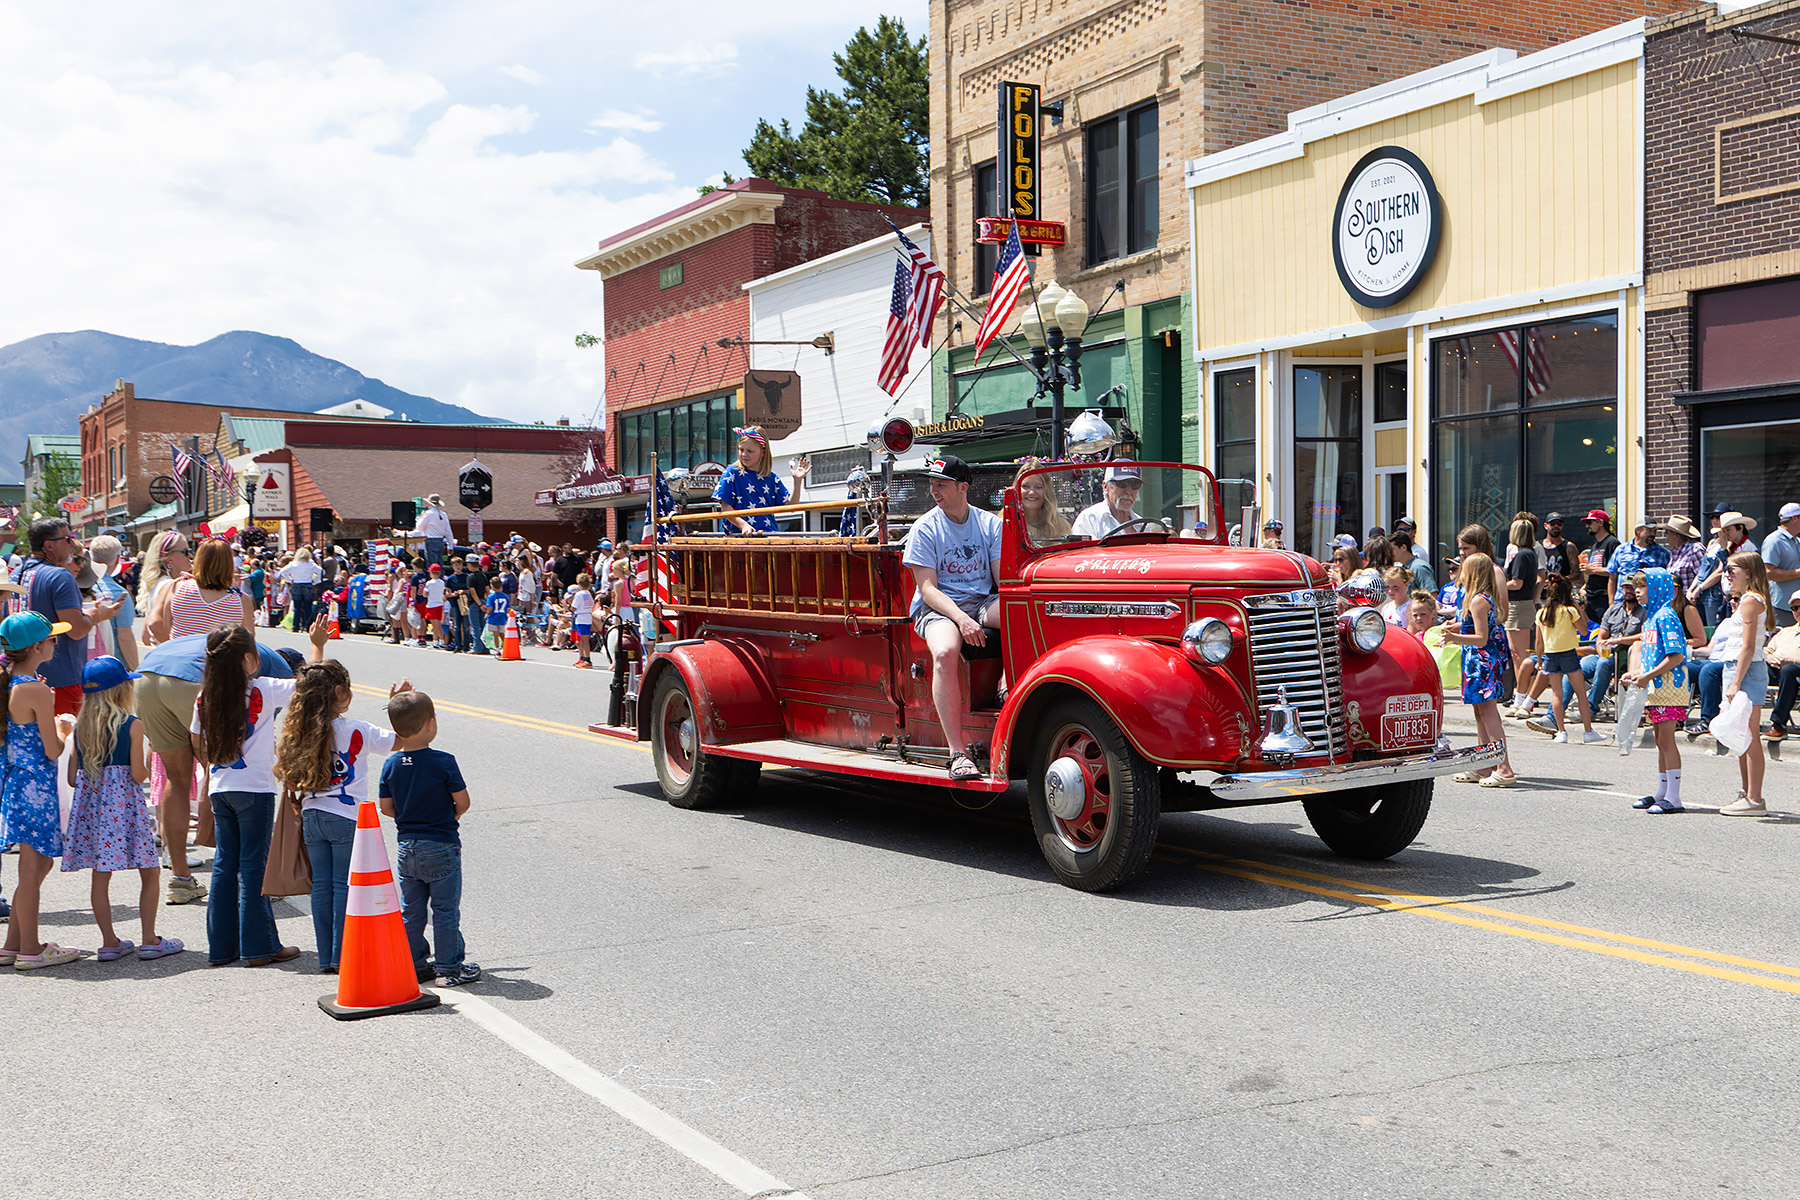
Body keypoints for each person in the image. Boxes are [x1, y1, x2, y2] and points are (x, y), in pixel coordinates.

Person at [275, 653, 407, 973]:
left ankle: (326, 956)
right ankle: (341, 955)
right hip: (346, 817)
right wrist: (396, 704)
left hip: (312, 815)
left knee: (321, 886)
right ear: (339, 692)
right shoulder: (356, 729)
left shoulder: (299, 731)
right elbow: (399, 741)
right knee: (342, 886)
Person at [192, 625, 308, 967]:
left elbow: (196, 739)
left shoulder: (204, 696)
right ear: (247, 659)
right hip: (254, 788)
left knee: (224, 865)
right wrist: (316, 648)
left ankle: (222, 947)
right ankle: (260, 947)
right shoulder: (262, 689)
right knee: (254, 866)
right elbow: (309, 687)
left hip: (220, 786)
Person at [63, 655, 181, 961]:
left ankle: (109, 943)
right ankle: (150, 939)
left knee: (100, 876)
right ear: (120, 689)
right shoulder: (131, 725)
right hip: (126, 811)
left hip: (95, 814)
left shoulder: (80, 728)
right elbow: (139, 775)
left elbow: (72, 778)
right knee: (150, 872)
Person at [904, 455, 1002, 781]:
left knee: (1022, 614)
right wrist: (961, 619)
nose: (934, 491)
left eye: (941, 485)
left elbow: (1001, 582)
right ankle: (957, 753)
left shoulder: (990, 524)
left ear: (963, 487)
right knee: (946, 651)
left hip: (981, 601)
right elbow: (928, 589)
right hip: (937, 609)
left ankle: (1006, 683)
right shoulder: (925, 528)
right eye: (932, 484)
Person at [379, 690, 480, 986]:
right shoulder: (443, 761)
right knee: (445, 910)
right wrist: (453, 814)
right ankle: (449, 969)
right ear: (431, 724)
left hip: (407, 847)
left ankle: (414, 963)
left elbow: (386, 808)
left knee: (411, 910)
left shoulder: (391, 764)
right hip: (440, 844)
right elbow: (463, 802)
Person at [0, 613, 80, 969]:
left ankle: (13, 944)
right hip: (36, 788)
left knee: (38, 863)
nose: (54, 643)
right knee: (33, 867)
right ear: (36, 648)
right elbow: (52, 750)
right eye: (51, 639)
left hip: (17, 785)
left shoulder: (11, 683)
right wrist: (64, 731)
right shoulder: (35, 691)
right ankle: (32, 950)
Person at [16, 517, 120, 715]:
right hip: (62, 681)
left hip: (23, 678)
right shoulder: (59, 576)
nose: (72, 544)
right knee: (66, 733)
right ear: (49, 546)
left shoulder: (16, 575)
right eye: (67, 539)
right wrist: (95, 616)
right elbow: (75, 629)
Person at [1621, 569, 1692, 814]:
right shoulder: (1651, 617)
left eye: (1642, 586)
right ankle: (1662, 792)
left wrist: (1647, 676)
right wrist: (1637, 672)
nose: (1636, 591)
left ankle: (1674, 797)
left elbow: (1676, 656)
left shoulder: (1666, 616)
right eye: (1636, 586)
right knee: (1660, 739)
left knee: (1666, 739)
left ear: (1658, 589)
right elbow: (1653, 657)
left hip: (1670, 686)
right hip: (1655, 687)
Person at [1443, 553, 1516, 787]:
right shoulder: (1479, 599)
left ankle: (1503, 767)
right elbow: (1475, 625)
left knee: (1488, 713)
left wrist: (1454, 637)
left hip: (1481, 663)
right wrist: (1456, 627)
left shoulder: (1478, 600)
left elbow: (1481, 637)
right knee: (1480, 713)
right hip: (1476, 662)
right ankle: (1485, 763)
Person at [1716, 552, 1774, 816]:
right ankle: (1747, 792)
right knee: (1741, 735)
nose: (1728, 574)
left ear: (1748, 572)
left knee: (1749, 735)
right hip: (1737, 668)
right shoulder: (1746, 600)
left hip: (1746, 671)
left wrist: (1735, 682)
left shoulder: (1751, 600)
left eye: (1732, 570)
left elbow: (1749, 647)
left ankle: (1754, 798)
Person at [1529, 574, 1603, 744]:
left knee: (1556, 694)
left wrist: (1539, 660)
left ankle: (1561, 731)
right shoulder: (1569, 612)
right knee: (1581, 693)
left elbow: (1538, 641)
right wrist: (1577, 610)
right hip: (1569, 654)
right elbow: (1584, 631)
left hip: (1550, 655)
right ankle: (1588, 731)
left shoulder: (1542, 613)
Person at [713, 428, 810, 535]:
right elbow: (726, 507)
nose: (744, 454)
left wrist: (797, 481)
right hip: (740, 535)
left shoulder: (771, 477)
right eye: (741, 450)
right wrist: (744, 525)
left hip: (768, 533)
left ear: (763, 452)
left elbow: (791, 507)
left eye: (750, 451)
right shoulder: (732, 472)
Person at [161, 539, 254, 641]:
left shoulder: (178, 587)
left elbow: (166, 628)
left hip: (181, 650)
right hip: (221, 651)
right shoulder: (241, 600)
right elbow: (248, 640)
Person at [1690, 510, 1755, 627]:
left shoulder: (1747, 548)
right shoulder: (1733, 547)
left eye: (1728, 530)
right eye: (1724, 531)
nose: (1725, 534)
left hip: (1739, 596)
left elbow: (1727, 569)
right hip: (1728, 597)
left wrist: (1724, 550)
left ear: (1740, 528)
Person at [87, 536, 139, 670]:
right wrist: (136, 669)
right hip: (112, 666)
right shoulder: (118, 593)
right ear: (117, 559)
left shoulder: (79, 585)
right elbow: (125, 637)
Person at [1503, 517, 1540, 670]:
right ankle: (1523, 684)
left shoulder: (1522, 555)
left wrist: (1498, 586)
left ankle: (1524, 684)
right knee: (1518, 654)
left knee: (1519, 654)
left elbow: (1517, 583)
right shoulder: (1531, 553)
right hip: (1523, 605)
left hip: (1517, 606)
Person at [1071, 463, 1143, 539]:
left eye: (1135, 485)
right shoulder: (1089, 519)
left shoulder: (1142, 524)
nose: (1129, 491)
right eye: (1122, 484)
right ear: (1105, 487)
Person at [1759, 501, 1800, 628]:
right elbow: (1768, 573)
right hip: (1782, 608)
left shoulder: (1797, 540)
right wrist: (1798, 572)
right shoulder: (1773, 541)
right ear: (1794, 518)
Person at [1580, 510, 1622, 624]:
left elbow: (1614, 571)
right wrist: (1585, 587)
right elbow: (1595, 570)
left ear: (1600, 523)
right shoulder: (1595, 546)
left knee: (1604, 630)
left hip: (1604, 597)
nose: (1587, 526)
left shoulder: (1612, 543)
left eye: (1590, 523)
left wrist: (1592, 570)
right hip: (1591, 597)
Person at [1015, 459, 1071, 542]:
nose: (1031, 492)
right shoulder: (1005, 524)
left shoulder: (1061, 525)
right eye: (1025, 486)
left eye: (1038, 487)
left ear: (1047, 491)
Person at [1762, 620, 1800, 740]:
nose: (1798, 611)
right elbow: (1766, 651)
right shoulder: (1785, 632)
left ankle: (1779, 725)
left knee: (1789, 670)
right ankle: (1742, 720)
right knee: (1752, 667)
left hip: (1795, 670)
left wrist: (1793, 661)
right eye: (1794, 610)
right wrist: (1769, 657)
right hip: (1778, 670)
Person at [279, 546, 323, 631]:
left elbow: (283, 571)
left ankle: (295, 626)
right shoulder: (310, 563)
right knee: (308, 607)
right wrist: (314, 580)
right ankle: (308, 626)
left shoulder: (293, 563)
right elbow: (321, 572)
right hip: (308, 584)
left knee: (297, 607)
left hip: (296, 584)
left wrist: (290, 580)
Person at [1662, 515, 1704, 596]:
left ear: (1674, 534)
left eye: (1666, 532)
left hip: (1690, 600)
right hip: (1675, 600)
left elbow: (1702, 575)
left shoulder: (1695, 549)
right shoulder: (1675, 551)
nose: (1666, 536)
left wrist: (1693, 592)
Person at [1391, 523, 1436, 596]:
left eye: (1392, 549)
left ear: (1403, 547)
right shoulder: (1403, 568)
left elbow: (1432, 596)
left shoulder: (1419, 568)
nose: (1389, 553)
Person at [1536, 512, 1579, 583]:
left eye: (1559, 524)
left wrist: (1559, 580)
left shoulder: (1569, 546)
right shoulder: (1538, 546)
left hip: (1561, 588)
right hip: (1541, 588)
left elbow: (1576, 574)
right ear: (1545, 525)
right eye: (1552, 524)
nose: (1556, 526)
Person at [416, 494, 453, 567]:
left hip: (430, 540)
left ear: (429, 504)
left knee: (431, 565)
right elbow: (448, 532)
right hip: (440, 541)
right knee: (439, 564)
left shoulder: (428, 514)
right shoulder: (443, 514)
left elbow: (419, 528)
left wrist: (421, 517)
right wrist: (450, 546)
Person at [571, 573, 596, 669]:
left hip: (581, 617)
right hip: (587, 616)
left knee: (584, 640)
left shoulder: (579, 594)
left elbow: (574, 607)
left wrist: (568, 606)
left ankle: (587, 659)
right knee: (583, 639)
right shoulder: (589, 593)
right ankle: (583, 658)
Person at [483, 576, 511, 656]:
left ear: (492, 586)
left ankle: (498, 650)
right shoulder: (505, 596)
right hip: (502, 617)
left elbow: (490, 607)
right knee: (502, 633)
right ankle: (506, 647)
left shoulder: (491, 596)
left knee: (495, 634)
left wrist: (487, 614)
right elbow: (508, 608)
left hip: (493, 617)